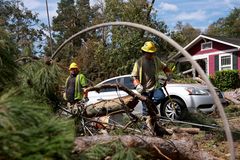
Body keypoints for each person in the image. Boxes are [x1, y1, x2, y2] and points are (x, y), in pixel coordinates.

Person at [131, 41, 172, 118]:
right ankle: (146, 127)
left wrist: (168, 74)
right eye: (149, 53)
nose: (151, 54)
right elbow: (134, 76)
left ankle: (151, 107)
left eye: (152, 53)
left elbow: (165, 67)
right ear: (144, 52)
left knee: (161, 97)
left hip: (155, 86)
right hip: (144, 89)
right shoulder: (139, 62)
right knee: (146, 110)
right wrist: (137, 85)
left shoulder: (155, 59)